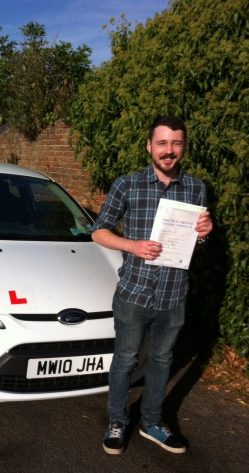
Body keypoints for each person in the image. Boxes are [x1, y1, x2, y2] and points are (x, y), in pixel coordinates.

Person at [92, 115, 213, 455]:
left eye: (176, 143)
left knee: (162, 360)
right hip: (134, 291)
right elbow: (98, 230)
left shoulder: (196, 188)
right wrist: (132, 246)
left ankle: (152, 422)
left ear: (183, 147)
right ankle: (117, 421)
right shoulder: (127, 185)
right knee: (126, 360)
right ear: (149, 146)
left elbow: (193, 246)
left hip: (175, 294)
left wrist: (203, 236)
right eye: (162, 143)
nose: (169, 150)